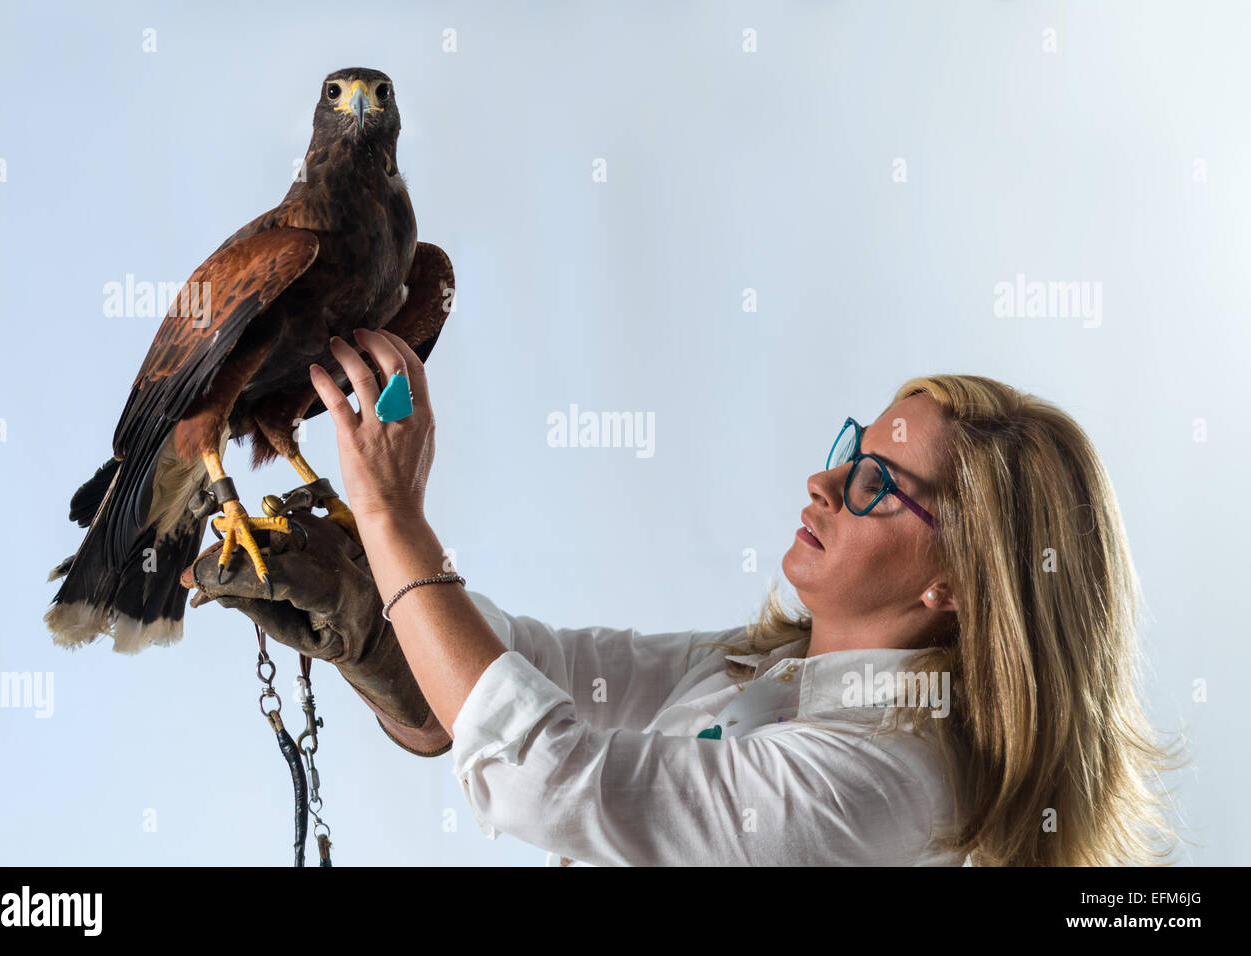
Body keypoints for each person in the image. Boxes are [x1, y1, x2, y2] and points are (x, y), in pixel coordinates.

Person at [185, 327, 1184, 866]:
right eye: (853, 452)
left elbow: (550, 777)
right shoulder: (766, 666)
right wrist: (375, 621)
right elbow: (548, 670)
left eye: (879, 483)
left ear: (958, 580)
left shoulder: (890, 784)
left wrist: (393, 527)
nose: (825, 483)